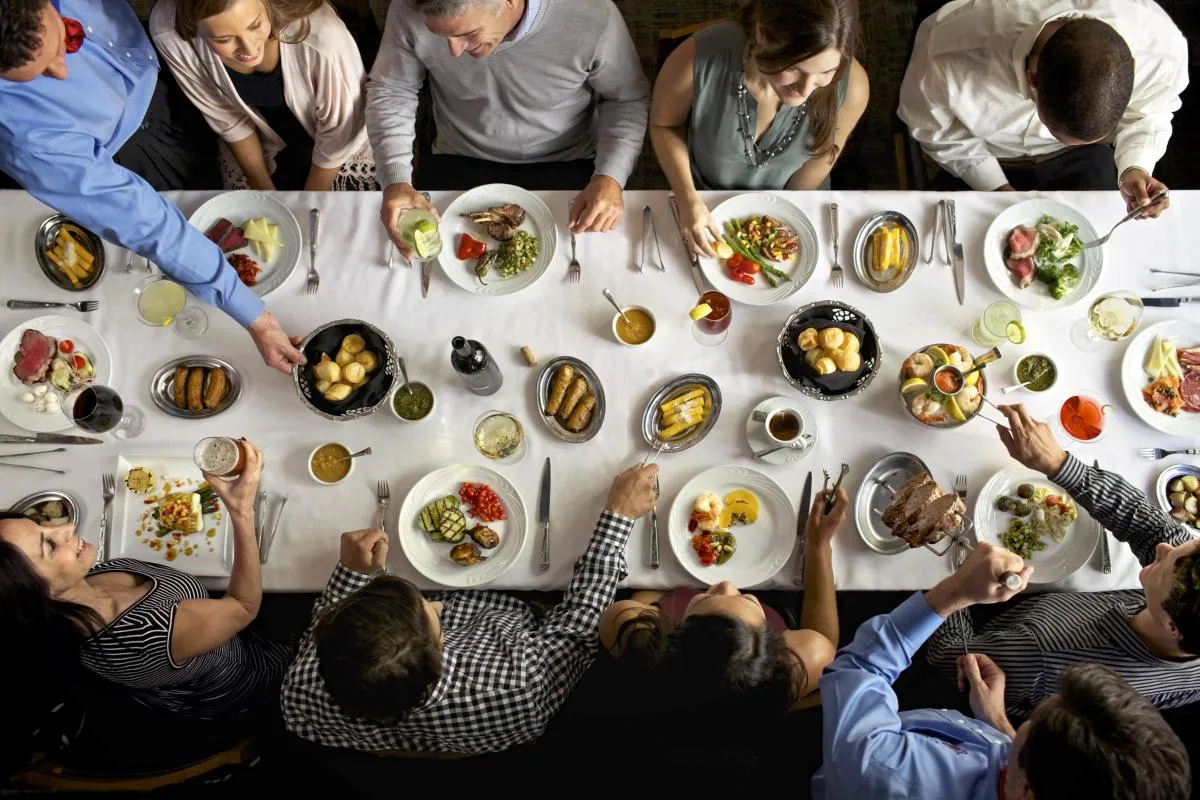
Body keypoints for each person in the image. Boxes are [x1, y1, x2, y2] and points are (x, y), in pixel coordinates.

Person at [0, 0, 305, 374]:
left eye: (60, 43)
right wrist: (258, 319)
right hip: (130, 151)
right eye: (35, 76)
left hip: (162, 76)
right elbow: (149, 225)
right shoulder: (25, 139)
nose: (62, 71)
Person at [280, 464, 659, 753]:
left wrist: (351, 576)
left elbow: (329, 621)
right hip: (515, 609)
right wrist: (618, 516)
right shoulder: (521, 687)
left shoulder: (298, 691)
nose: (440, 604)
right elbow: (579, 627)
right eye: (434, 618)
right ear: (441, 652)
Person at [813, 543, 1191, 800]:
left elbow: (859, 668)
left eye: (1034, 719)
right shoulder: (1050, 781)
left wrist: (955, 590)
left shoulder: (885, 770)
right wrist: (996, 721)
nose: (1022, 721)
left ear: (1026, 789)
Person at [924, 403, 1200, 719]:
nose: (1163, 547)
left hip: (986, 629)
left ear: (1171, 625)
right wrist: (1058, 463)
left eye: (1164, 564)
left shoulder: (1043, 655)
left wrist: (959, 582)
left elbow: (947, 655)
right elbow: (1149, 525)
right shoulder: (1187, 601)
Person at [0, 442, 290, 719]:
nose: (66, 526)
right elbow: (243, 607)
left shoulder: (85, 580)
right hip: (243, 674)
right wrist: (241, 512)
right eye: (49, 546)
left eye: (41, 523)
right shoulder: (145, 636)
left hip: (220, 633)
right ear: (34, 595)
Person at [367, 0, 650, 252]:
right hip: (457, 158)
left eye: (467, 33)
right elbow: (392, 90)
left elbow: (626, 98)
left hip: (569, 163)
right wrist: (395, 179)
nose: (454, 51)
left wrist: (610, 177)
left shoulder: (593, 15)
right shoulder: (408, 7)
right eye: (441, 36)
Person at [898, 0, 1187, 218]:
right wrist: (997, 188)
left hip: (1085, 159)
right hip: (984, 155)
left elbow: (1150, 113)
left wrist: (1135, 167)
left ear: (1134, 69)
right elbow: (935, 129)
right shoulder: (944, 53)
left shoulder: (1162, 52)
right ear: (1032, 77)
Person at [599, 488, 846, 721]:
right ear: (775, 647)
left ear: (674, 634)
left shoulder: (627, 625)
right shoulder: (808, 658)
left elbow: (643, 597)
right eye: (745, 598)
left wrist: (675, 594)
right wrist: (819, 546)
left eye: (705, 598)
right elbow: (822, 643)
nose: (727, 583)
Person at [651, 0, 868, 256]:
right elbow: (664, 125)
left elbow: (823, 155)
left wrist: (786, 219)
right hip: (703, 201)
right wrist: (688, 199)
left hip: (796, 202)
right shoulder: (693, 61)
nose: (806, 91)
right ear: (762, 33)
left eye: (826, 72)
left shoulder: (854, 86)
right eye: (794, 68)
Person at [150, 0, 376, 192]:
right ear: (194, 30)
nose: (249, 50)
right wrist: (265, 192)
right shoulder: (170, 33)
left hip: (341, 146)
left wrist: (308, 199)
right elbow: (227, 119)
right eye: (224, 40)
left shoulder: (323, 34)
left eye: (255, 25)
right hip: (263, 144)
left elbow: (340, 132)